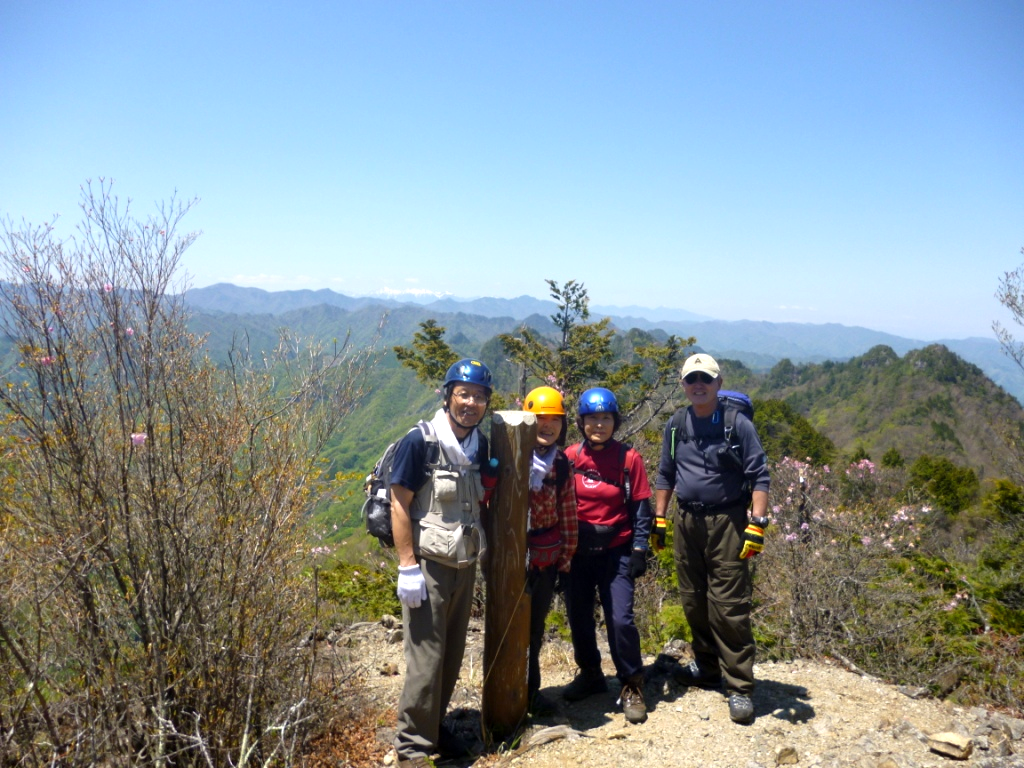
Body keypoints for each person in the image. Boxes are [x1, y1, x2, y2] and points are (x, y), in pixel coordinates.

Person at [654, 353, 770, 725]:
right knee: (693, 600)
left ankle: (739, 687)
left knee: (729, 605)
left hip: (728, 521)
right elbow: (665, 473)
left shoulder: (737, 425)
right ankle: (706, 669)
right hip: (687, 520)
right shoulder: (676, 424)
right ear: (684, 384)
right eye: (692, 379)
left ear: (719, 383)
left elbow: (760, 476)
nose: (698, 385)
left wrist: (758, 523)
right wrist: (659, 518)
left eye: (705, 378)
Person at [390, 358, 493, 767]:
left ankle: (434, 731)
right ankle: (412, 747)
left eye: (479, 396)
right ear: (448, 395)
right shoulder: (421, 441)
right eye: (463, 393)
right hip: (428, 566)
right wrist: (407, 566)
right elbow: (399, 503)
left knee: (450, 653)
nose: (470, 402)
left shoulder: (479, 445)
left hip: (463, 564)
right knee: (426, 658)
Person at [562, 387, 654, 725]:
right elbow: (558, 505)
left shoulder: (629, 459)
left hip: (617, 552)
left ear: (615, 421)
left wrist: (640, 550)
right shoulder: (570, 457)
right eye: (592, 418)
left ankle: (631, 683)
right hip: (578, 552)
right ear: (581, 422)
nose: (599, 424)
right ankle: (590, 674)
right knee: (579, 617)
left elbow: (641, 509)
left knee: (620, 619)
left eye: (605, 418)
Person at [522, 385, 578, 716]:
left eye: (554, 420)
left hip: (544, 558)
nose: (547, 425)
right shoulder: (512, 454)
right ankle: (504, 691)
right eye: (540, 418)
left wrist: (566, 556)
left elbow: (568, 512)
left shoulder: (560, 464)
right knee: (508, 625)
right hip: (510, 557)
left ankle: (530, 691)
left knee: (535, 629)